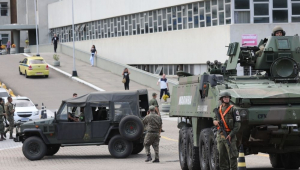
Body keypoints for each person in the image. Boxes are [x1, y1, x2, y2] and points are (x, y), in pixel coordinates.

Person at [213, 91, 241, 170]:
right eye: (225, 97)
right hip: (220, 136)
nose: (226, 99)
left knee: (232, 156)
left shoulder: (234, 109)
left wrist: (231, 135)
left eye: (228, 97)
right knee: (222, 156)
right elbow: (214, 118)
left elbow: (237, 124)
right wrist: (215, 122)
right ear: (221, 99)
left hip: (230, 136)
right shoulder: (219, 109)